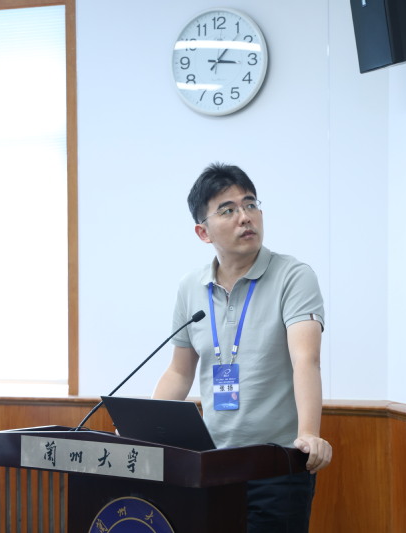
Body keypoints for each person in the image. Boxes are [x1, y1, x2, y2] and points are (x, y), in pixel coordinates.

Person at [153, 163, 332, 532]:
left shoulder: (293, 276)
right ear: (203, 232)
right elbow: (179, 372)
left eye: (250, 204)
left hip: (276, 465)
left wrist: (308, 434)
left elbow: (306, 360)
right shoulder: (191, 288)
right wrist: (147, 427)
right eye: (228, 210)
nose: (245, 217)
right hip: (211, 466)